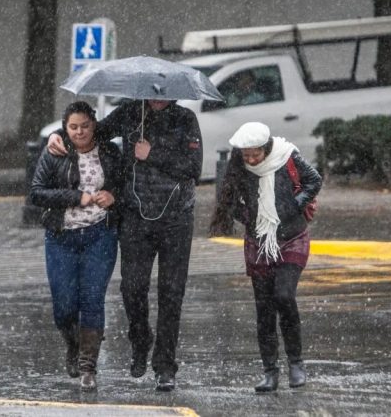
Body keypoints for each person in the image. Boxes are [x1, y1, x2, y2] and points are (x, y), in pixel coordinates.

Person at [47, 98, 202, 392]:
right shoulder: (132, 111)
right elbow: (94, 130)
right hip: (135, 218)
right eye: (152, 92)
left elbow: (193, 168)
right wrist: (59, 133)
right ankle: (140, 339)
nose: (157, 98)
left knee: (171, 292)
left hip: (176, 219)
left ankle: (165, 365)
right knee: (132, 288)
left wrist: (152, 154)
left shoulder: (185, 119)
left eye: (163, 93)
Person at [209, 122, 321, 392]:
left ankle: (296, 363)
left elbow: (314, 181)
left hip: (292, 237)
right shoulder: (238, 166)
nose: (251, 159)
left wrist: (294, 205)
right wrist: (249, 217)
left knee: (284, 295)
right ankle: (270, 371)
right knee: (264, 310)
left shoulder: (287, 155)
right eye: (246, 154)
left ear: (267, 147)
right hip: (258, 241)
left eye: (255, 154)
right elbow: (228, 201)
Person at [30, 101, 123, 392]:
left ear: (94, 124)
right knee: (64, 306)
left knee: (92, 299)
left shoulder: (109, 151)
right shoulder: (55, 150)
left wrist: (113, 195)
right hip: (61, 237)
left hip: (100, 234)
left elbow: (125, 182)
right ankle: (72, 345)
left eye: (85, 125)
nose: (79, 132)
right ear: (64, 127)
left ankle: (88, 367)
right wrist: (76, 197)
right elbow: (37, 193)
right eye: (73, 127)